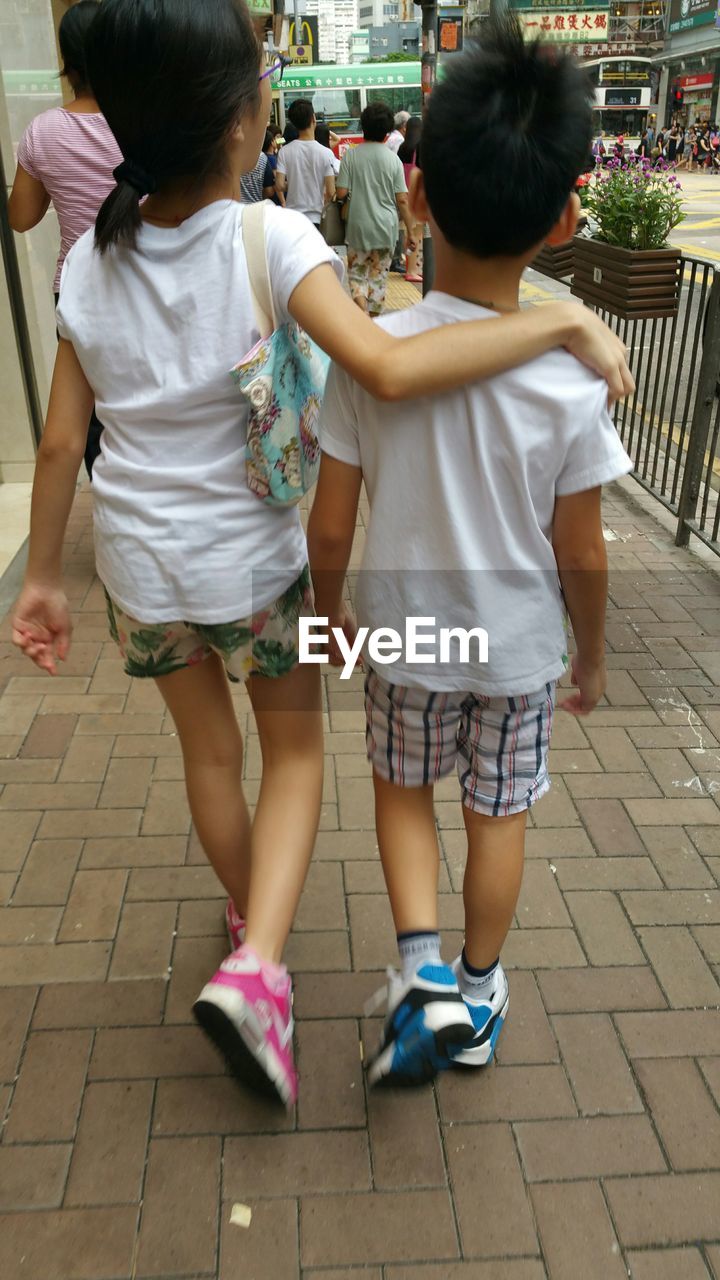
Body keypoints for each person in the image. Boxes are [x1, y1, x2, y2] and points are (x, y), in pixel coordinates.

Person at [11, 0, 631, 1111]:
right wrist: (558, 321)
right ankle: (285, 974)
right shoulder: (270, 239)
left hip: (141, 573)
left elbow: (63, 439)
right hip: (258, 564)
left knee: (213, 760)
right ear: (245, 122)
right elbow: (392, 377)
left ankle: (259, 926)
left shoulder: (90, 264)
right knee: (298, 759)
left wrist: (47, 576)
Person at [307, 20, 633, 1087]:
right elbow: (579, 544)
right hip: (520, 644)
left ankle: (419, 976)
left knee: (401, 791)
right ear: (566, 215)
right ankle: (480, 992)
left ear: (415, 197)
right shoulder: (571, 379)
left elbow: (332, 517)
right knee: (499, 812)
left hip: (404, 632)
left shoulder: (372, 354)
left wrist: (330, 612)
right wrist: (588, 656)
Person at [8, 0, 121, 480]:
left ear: (67, 59)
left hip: (77, 289)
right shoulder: (144, 122)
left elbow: (21, 218)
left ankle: (110, 498)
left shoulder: (42, 132)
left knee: (90, 413)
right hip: (150, 277)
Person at [337, 101, 416, 316]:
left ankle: (361, 307)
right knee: (378, 279)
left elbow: (341, 192)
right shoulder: (393, 160)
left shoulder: (351, 156)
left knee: (357, 276)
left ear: (363, 128)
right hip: (385, 228)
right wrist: (410, 231)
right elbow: (402, 200)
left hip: (357, 227)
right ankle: (372, 319)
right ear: (388, 132)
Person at [275, 98, 335, 225]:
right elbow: (330, 192)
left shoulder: (284, 151)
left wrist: (294, 184)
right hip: (316, 219)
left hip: (293, 219)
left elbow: (279, 185)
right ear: (314, 118)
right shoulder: (326, 153)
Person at [398, 115, 423, 282]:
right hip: (417, 194)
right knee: (417, 234)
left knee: (409, 232)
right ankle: (412, 270)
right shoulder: (420, 148)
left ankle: (410, 266)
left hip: (403, 193)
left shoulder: (402, 148)